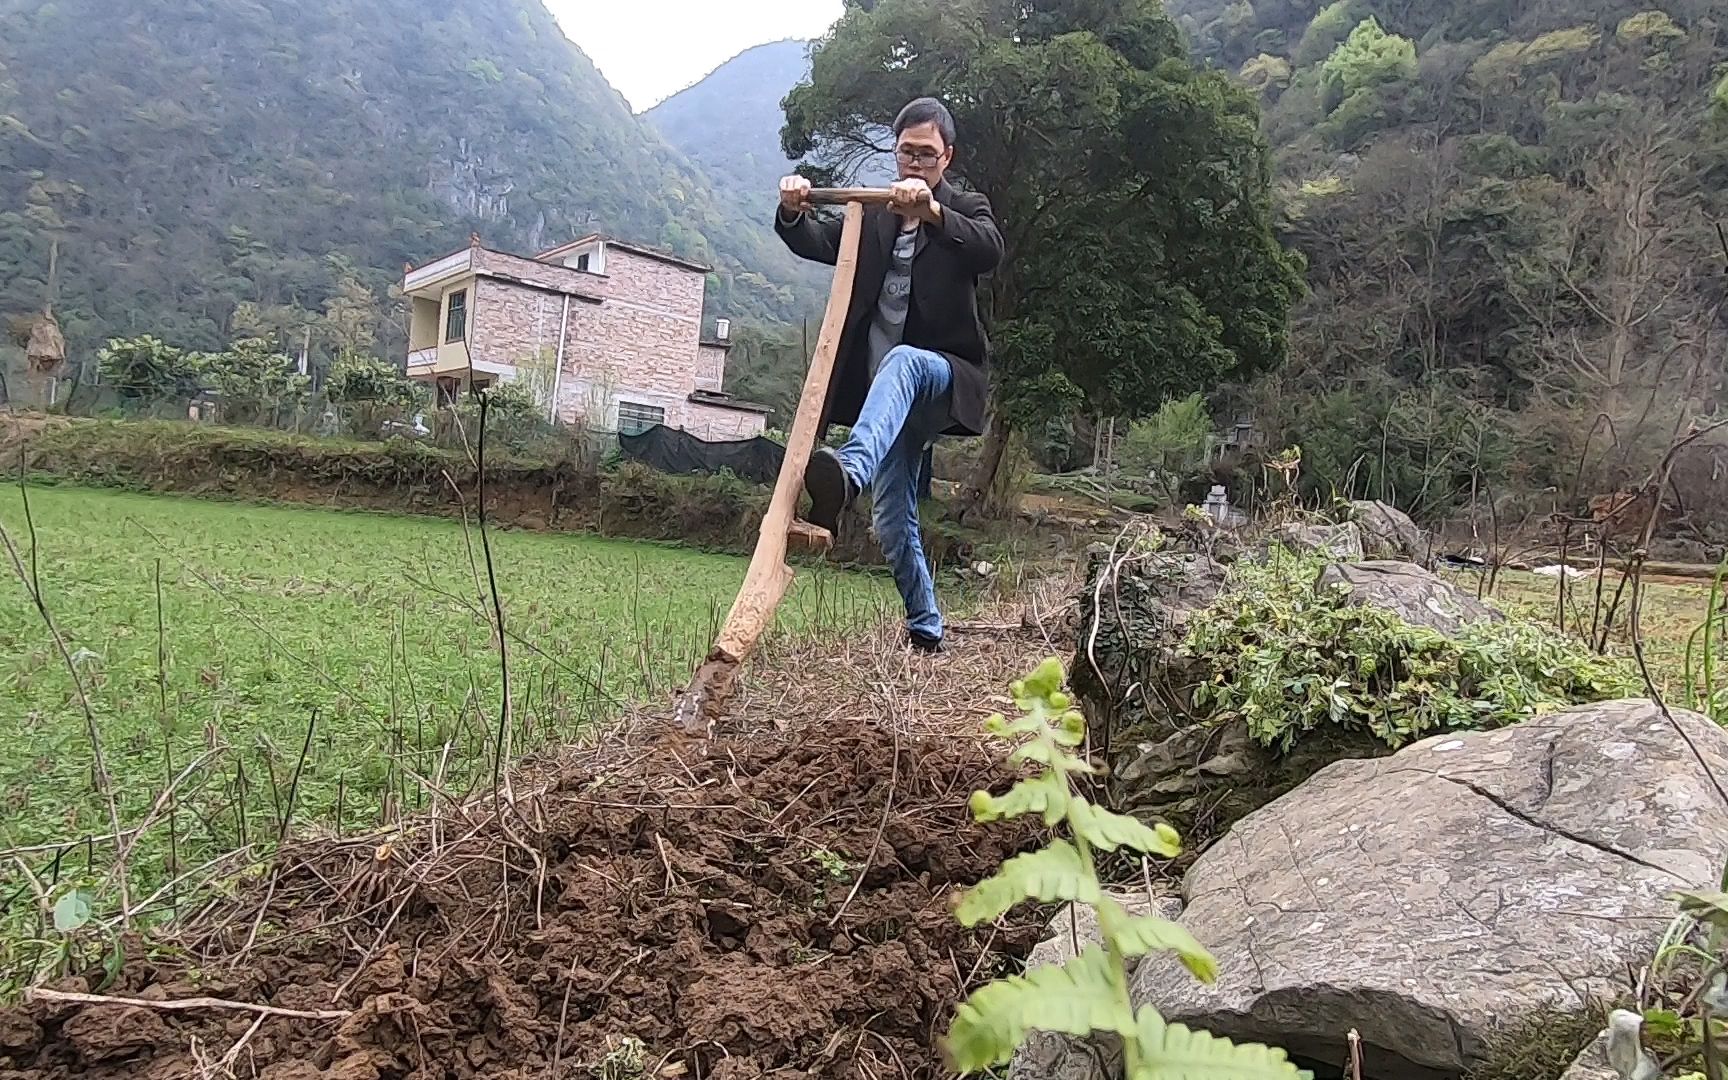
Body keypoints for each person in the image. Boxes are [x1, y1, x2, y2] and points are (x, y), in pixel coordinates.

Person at [774, 96, 1003, 654]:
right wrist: (793, 207)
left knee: (904, 361)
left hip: (941, 377)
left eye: (926, 154)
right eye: (906, 152)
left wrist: (933, 212)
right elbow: (814, 239)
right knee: (893, 520)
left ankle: (847, 473)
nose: (915, 164)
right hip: (886, 403)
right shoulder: (871, 214)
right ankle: (927, 629)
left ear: (946, 156)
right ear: (895, 151)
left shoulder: (965, 207)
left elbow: (989, 249)